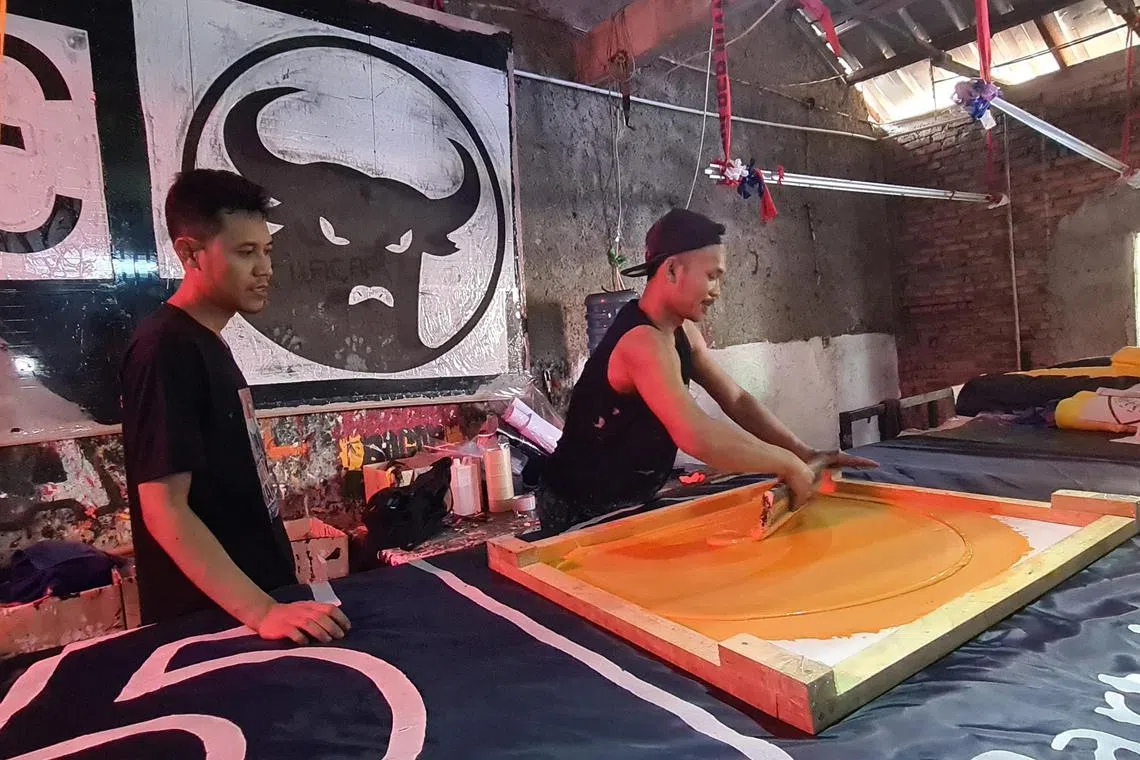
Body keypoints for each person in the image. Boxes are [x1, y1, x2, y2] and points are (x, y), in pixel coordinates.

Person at [538, 208, 876, 534]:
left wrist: (805, 452)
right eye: (712, 276)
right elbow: (696, 434)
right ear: (671, 271)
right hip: (579, 509)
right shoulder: (642, 342)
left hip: (627, 501)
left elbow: (737, 400)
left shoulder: (682, 334)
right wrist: (786, 463)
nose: (716, 291)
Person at [120, 169, 350, 644]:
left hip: (256, 608)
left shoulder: (208, 343)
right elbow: (164, 508)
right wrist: (261, 612)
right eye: (246, 253)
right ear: (190, 254)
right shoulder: (164, 348)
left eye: (266, 252)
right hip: (212, 624)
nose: (265, 268)